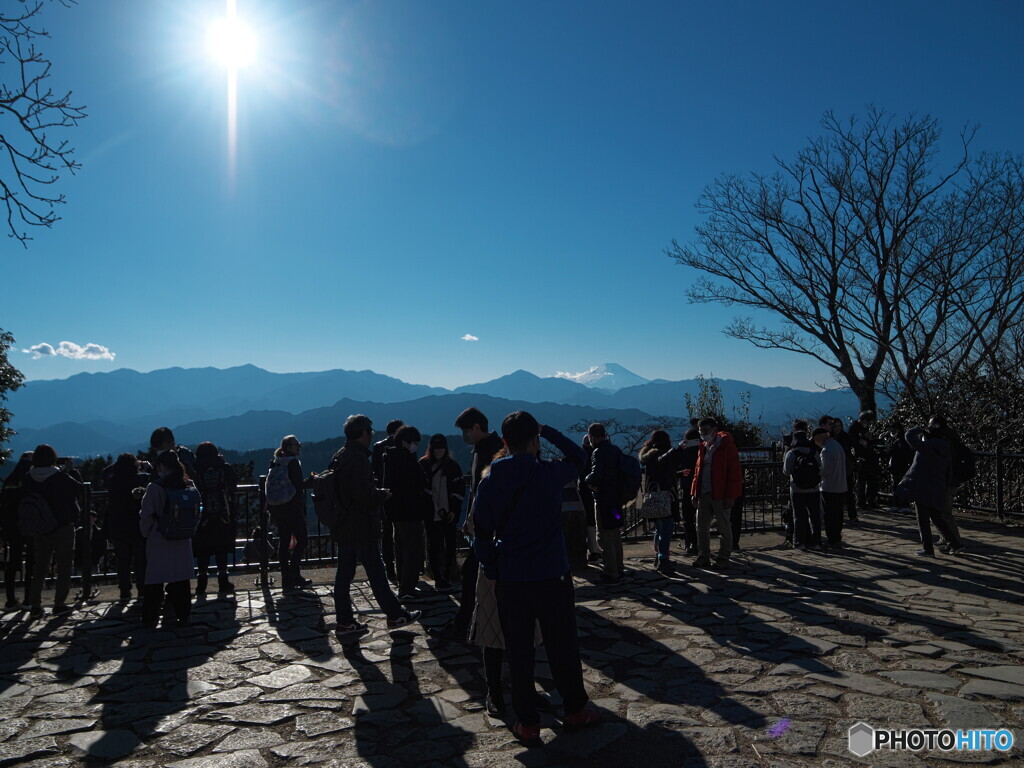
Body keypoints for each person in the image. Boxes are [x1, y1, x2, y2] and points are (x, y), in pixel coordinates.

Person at [473, 412, 599, 745]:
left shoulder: (490, 482)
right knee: (563, 646)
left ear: (504, 442)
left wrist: (492, 571)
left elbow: (481, 534)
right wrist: (549, 430)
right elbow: (579, 457)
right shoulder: (549, 474)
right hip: (552, 576)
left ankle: (527, 723)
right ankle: (575, 710)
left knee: (519, 652)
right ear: (535, 440)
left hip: (511, 579)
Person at [332, 414, 420, 640]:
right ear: (363, 433)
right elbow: (363, 495)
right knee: (377, 573)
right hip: (361, 525)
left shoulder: (341, 454)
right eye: (370, 432)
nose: (371, 435)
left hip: (344, 524)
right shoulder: (358, 458)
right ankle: (395, 615)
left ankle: (344, 621)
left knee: (344, 576)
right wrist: (382, 495)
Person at [432, 407, 503, 641]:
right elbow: (475, 490)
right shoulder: (481, 450)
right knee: (474, 575)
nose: (463, 436)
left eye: (466, 431)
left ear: (477, 427)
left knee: (472, 573)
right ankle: (470, 623)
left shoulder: (493, 451)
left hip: (490, 527)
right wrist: (468, 519)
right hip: (482, 524)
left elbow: (487, 491)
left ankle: (465, 625)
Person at [23, 445, 83, 618]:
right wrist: (71, 471)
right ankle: (59, 603)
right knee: (64, 566)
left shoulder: (28, 478)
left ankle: (35, 605)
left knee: (40, 567)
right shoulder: (60, 477)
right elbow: (80, 489)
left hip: (40, 527)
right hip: (63, 526)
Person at [139, 451, 196, 627]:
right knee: (181, 579)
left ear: (162, 466)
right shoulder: (188, 484)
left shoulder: (155, 487)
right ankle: (184, 614)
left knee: (155, 580)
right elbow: (196, 510)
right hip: (183, 538)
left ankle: (151, 617)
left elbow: (146, 515)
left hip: (159, 537)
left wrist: (146, 533)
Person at [899, 417, 964, 556]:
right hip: (937, 487)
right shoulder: (946, 448)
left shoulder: (926, 447)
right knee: (937, 518)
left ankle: (928, 549)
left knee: (922, 520)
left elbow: (908, 436)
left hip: (922, 487)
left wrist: (919, 428)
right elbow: (949, 472)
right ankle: (955, 543)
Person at [382, 425, 433, 600]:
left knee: (400, 549)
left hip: (395, 512)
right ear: (405, 441)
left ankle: (403, 584)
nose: (415, 446)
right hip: (411, 511)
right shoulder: (407, 459)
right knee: (413, 550)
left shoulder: (389, 457)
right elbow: (422, 480)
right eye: (414, 443)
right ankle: (408, 588)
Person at [690, 417, 742, 569]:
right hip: (704, 493)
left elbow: (734, 473)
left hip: (721, 493)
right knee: (701, 526)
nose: (703, 434)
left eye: (706, 431)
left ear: (714, 430)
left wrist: (731, 495)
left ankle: (723, 557)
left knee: (724, 527)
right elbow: (697, 472)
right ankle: (703, 556)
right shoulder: (703, 447)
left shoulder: (727, 447)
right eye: (701, 431)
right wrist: (694, 492)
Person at [419, 434, 465, 592]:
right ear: (431, 449)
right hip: (430, 513)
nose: (439, 451)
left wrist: (454, 510)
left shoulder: (452, 466)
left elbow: (459, 490)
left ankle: (446, 576)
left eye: (441, 448)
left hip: (448, 514)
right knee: (434, 546)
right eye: (436, 448)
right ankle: (438, 578)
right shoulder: (423, 465)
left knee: (450, 545)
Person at [266, 435, 313, 588]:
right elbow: (299, 485)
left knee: (284, 541)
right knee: (302, 540)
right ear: (288, 447)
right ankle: (295, 574)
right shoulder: (293, 463)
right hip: (292, 507)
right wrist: (313, 481)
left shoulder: (276, 462)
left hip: (278, 508)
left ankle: (286, 577)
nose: (299, 446)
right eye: (296, 444)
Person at [192, 442, 239, 595]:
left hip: (202, 516)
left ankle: (201, 584)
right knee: (221, 549)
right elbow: (233, 484)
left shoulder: (195, 469)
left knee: (203, 551)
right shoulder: (224, 468)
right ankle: (223, 581)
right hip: (222, 514)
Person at [101, 453, 150, 601]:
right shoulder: (140, 479)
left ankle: (124, 591)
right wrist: (146, 466)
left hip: (117, 525)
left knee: (122, 560)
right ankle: (142, 589)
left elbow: (104, 472)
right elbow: (153, 476)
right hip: (137, 524)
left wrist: (117, 465)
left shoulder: (113, 480)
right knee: (141, 560)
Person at [639, 430, 685, 575]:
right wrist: (676, 450)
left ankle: (658, 556)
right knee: (666, 530)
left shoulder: (648, 456)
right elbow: (662, 462)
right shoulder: (658, 454)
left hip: (654, 496)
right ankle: (663, 559)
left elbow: (658, 471)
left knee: (659, 529)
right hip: (665, 497)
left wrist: (678, 473)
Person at [585, 423, 625, 584]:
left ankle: (610, 571)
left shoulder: (599, 452)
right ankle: (619, 567)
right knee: (615, 534)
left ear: (592, 437)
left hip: (603, 500)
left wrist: (587, 480)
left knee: (604, 536)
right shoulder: (615, 450)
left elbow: (596, 474)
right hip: (616, 500)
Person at [1, 452, 34, 611]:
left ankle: (11, 600)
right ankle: (29, 599)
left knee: (13, 562)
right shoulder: (31, 479)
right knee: (31, 562)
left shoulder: (9, 479)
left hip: (12, 526)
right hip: (30, 524)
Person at [372, 419, 404, 583]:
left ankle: (389, 566)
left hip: (383, 493)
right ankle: (404, 566)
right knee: (402, 531)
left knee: (386, 532)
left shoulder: (378, 446)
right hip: (401, 495)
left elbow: (374, 471)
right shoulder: (404, 445)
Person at [814, 427, 847, 548]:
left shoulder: (826, 450)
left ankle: (831, 538)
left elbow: (825, 470)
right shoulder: (837, 446)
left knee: (829, 515)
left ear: (819, 437)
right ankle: (836, 537)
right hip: (841, 485)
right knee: (838, 514)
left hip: (829, 487)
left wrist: (816, 475)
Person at [676, 429, 701, 555]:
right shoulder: (704, 449)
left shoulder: (683, 452)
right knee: (702, 519)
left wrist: (679, 449)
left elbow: (673, 464)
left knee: (688, 518)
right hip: (704, 487)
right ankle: (701, 544)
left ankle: (691, 543)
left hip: (687, 487)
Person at [848, 411, 879, 510]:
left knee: (871, 479)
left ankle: (870, 500)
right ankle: (861, 501)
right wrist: (860, 441)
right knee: (860, 480)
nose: (870, 423)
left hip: (869, 456)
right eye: (869, 421)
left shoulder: (865, 428)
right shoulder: (854, 428)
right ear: (864, 420)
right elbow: (852, 441)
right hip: (859, 457)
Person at [831, 417, 857, 522]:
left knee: (849, 492)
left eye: (839, 426)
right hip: (835, 469)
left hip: (846, 468)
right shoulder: (829, 438)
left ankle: (852, 515)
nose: (838, 428)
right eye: (835, 426)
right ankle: (838, 515)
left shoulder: (846, 437)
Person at [886, 422, 914, 513]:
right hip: (900, 466)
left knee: (898, 486)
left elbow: (901, 454)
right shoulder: (902, 439)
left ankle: (900, 504)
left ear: (897, 430)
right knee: (898, 486)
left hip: (898, 467)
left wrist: (890, 451)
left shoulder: (900, 440)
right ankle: (899, 504)